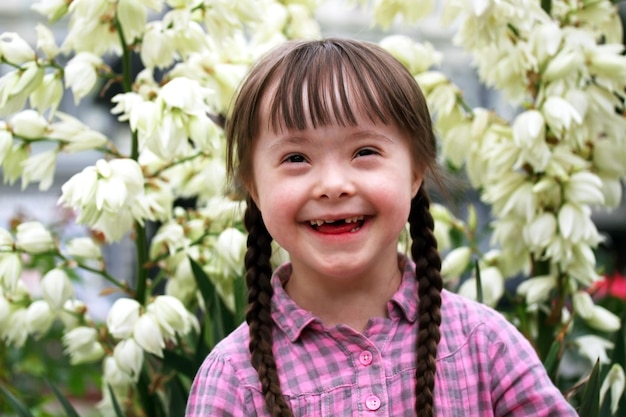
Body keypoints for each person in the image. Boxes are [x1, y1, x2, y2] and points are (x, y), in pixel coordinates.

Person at [186, 38, 578, 417]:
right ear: (253, 188)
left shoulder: (483, 345)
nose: (333, 185)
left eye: (365, 152)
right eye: (295, 157)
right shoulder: (234, 378)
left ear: (415, 172)